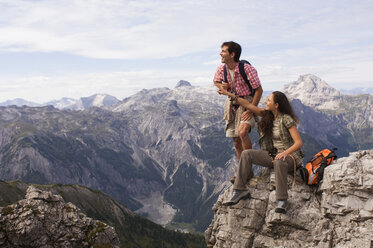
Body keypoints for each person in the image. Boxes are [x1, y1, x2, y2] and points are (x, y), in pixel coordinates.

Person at [217, 89, 304, 213]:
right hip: (273, 154)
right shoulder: (266, 115)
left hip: (290, 156)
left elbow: (298, 143)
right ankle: (239, 190)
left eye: (269, 100)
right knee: (246, 154)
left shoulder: (286, 119)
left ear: (276, 105)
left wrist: (284, 153)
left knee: (279, 162)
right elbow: (247, 105)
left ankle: (282, 200)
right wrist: (230, 95)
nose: (265, 101)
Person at [213, 41, 263, 163]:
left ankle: (248, 164)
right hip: (232, 104)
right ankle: (243, 170)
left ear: (232, 54)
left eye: (223, 51)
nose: (220, 53)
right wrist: (222, 86)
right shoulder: (221, 69)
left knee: (242, 132)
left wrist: (251, 109)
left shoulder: (247, 69)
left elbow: (259, 90)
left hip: (246, 102)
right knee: (236, 141)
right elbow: (216, 81)